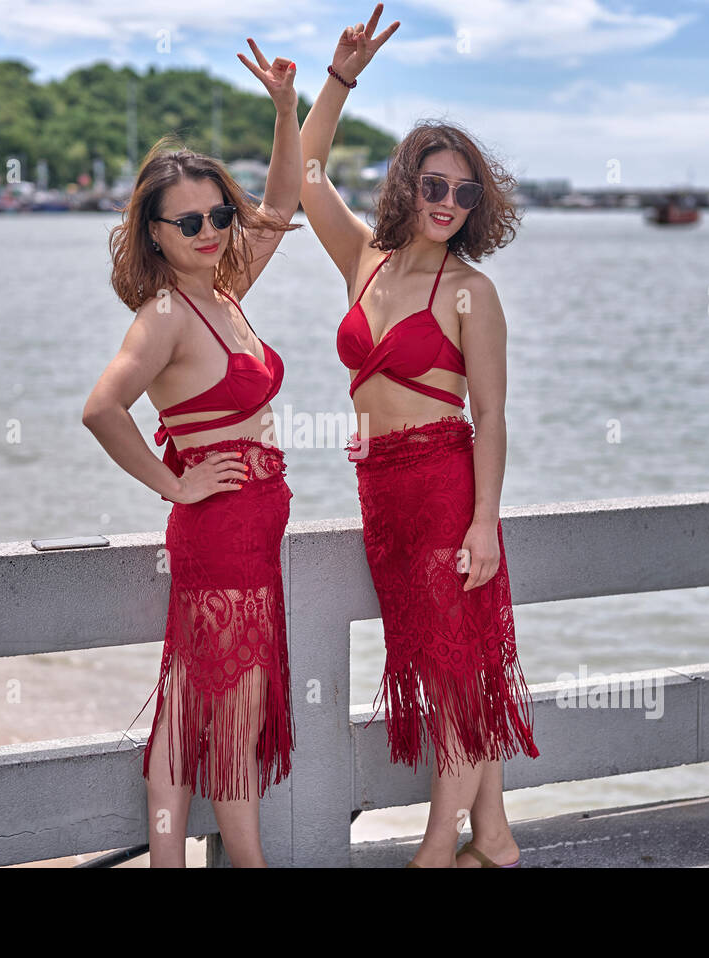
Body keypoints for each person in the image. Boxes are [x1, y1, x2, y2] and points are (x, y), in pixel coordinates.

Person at [299, 4, 539, 868]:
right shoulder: (364, 261)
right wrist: (339, 78)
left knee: (452, 678)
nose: (448, 202)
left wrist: (483, 523)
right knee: (447, 663)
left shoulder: (473, 291)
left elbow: (493, 417)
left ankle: (439, 850)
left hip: (444, 491)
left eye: (464, 193)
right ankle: (497, 838)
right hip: (380, 495)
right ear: (408, 186)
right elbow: (307, 173)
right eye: (434, 186)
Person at [81, 40, 301, 867]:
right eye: (190, 222)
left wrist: (285, 109)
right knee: (228, 725)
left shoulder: (227, 288)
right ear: (155, 231)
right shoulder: (168, 313)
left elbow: (282, 201)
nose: (210, 230)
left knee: (187, 711)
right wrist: (174, 484)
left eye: (218, 216)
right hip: (219, 533)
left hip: (247, 530)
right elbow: (102, 408)